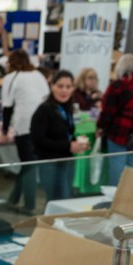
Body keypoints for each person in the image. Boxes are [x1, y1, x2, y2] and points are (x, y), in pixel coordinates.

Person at [0, 49, 49, 213]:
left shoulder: (11, 78)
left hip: (25, 125)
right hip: (43, 124)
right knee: (28, 163)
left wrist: (4, 132)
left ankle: (29, 206)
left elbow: (7, 108)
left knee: (29, 165)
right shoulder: (38, 75)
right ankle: (13, 199)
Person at [30, 70, 89, 201]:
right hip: (50, 162)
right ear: (52, 86)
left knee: (65, 198)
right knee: (54, 199)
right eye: (60, 86)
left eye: (68, 87)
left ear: (73, 88)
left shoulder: (67, 107)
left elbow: (66, 133)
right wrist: (69, 146)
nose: (64, 90)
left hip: (66, 161)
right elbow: (38, 140)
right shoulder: (43, 110)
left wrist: (77, 144)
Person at [98, 54, 133, 185]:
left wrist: (101, 126)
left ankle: (115, 199)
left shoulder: (117, 86)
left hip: (118, 132)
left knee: (117, 168)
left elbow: (108, 111)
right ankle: (130, 198)